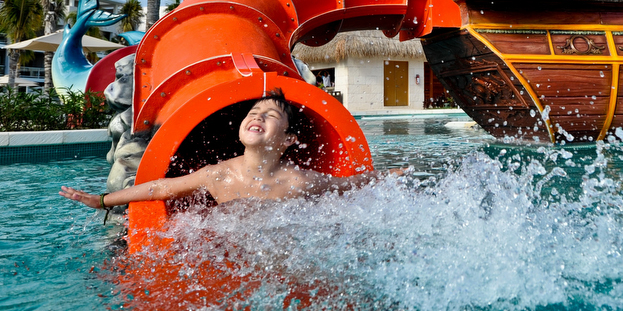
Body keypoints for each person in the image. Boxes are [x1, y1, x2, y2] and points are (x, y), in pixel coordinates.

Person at [59, 90, 391, 210]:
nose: (258, 115)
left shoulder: (300, 181)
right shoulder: (219, 174)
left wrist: (389, 177)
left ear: (289, 140)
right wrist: (101, 200)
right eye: (253, 113)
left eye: (271, 115)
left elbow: (344, 185)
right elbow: (161, 188)